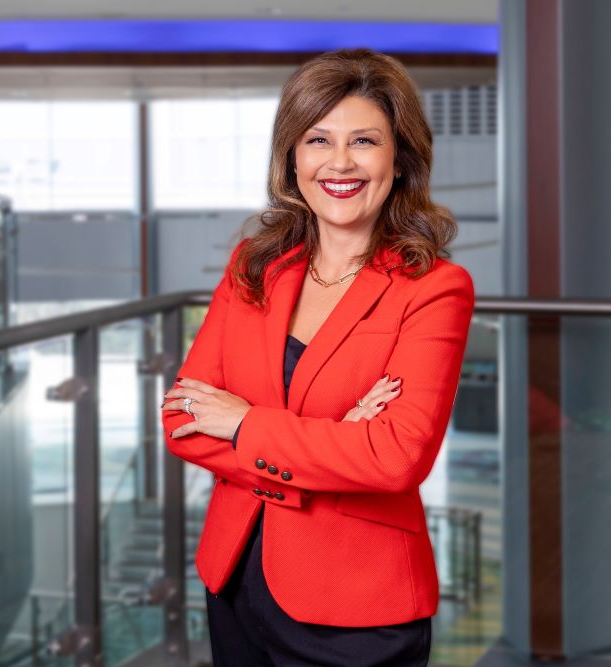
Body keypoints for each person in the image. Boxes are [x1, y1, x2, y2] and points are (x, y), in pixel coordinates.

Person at [161, 48, 474, 666]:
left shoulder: (435, 288)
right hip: (236, 579)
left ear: (400, 158)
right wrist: (335, 441)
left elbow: (395, 459)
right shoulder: (254, 267)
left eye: (364, 140)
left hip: (357, 603)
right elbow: (183, 422)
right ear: (292, 157)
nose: (340, 162)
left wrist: (245, 423)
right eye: (317, 139)